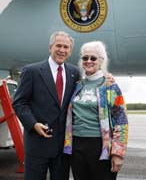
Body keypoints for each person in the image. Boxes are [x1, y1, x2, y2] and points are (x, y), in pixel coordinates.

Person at [12, 31, 80, 180]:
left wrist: (106, 78)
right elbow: (19, 102)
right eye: (58, 46)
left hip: (63, 147)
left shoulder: (75, 73)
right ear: (50, 47)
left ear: (70, 51)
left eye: (66, 47)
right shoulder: (32, 71)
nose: (62, 50)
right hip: (37, 144)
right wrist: (33, 124)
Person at [64, 41, 128, 180]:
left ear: (101, 60)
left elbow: (121, 121)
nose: (88, 61)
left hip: (101, 146)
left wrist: (118, 153)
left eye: (93, 58)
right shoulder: (77, 85)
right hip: (77, 145)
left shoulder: (111, 86)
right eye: (85, 58)